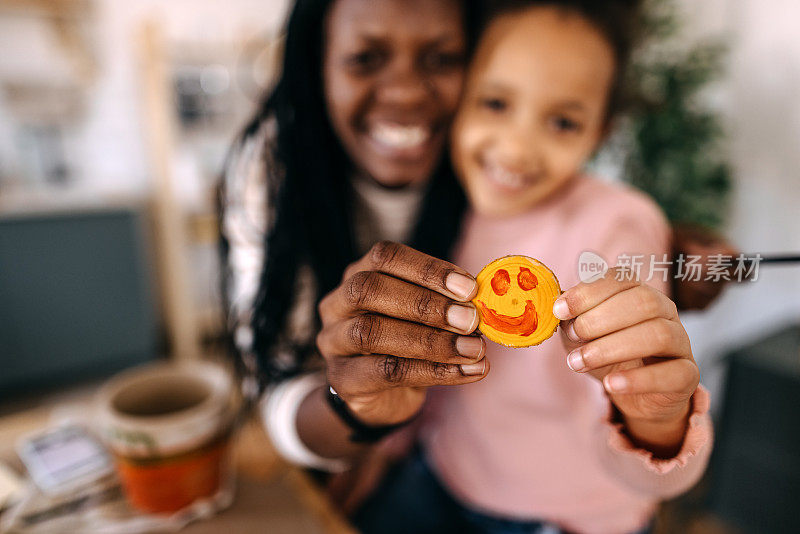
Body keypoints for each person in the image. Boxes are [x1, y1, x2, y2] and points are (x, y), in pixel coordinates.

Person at [219, 0, 724, 530]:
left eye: (562, 121)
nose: (517, 147)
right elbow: (435, 373)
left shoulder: (616, 227)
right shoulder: (462, 204)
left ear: (601, 130)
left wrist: (659, 423)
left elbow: (647, 429)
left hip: (560, 513)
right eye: (496, 103)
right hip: (442, 473)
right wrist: (379, 445)